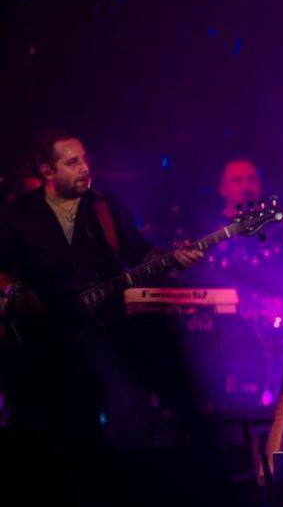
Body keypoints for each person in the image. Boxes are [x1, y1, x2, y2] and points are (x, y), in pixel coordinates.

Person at [0, 128, 203, 442]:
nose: (84, 167)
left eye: (84, 159)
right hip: (41, 347)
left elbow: (140, 253)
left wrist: (173, 259)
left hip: (104, 340)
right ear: (48, 171)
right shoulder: (19, 213)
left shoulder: (103, 206)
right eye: (72, 162)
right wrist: (18, 297)